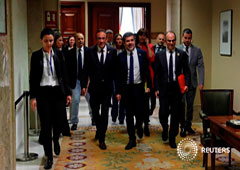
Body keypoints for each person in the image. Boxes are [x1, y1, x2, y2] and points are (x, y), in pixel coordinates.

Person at [29, 28, 72, 169]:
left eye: (51, 41)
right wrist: (33, 97)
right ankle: (48, 156)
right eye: (46, 41)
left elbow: (64, 75)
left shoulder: (59, 54)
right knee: (46, 126)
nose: (49, 43)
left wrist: (68, 93)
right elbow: (33, 78)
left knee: (58, 122)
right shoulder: (36, 56)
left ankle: (56, 141)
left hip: (57, 92)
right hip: (43, 93)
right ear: (41, 40)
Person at [82, 29, 118, 150]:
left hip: (107, 89)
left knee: (104, 113)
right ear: (96, 39)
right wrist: (83, 86)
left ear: (106, 39)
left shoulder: (112, 51)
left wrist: (117, 89)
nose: (101, 41)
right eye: (99, 38)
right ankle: (98, 129)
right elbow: (85, 70)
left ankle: (102, 138)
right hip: (94, 88)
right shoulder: (89, 52)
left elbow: (115, 71)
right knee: (95, 113)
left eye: (103, 38)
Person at [116, 32, 151, 150]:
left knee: (140, 113)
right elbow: (118, 76)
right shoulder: (120, 57)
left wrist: (149, 86)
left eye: (132, 40)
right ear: (124, 43)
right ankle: (132, 139)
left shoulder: (142, 54)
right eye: (127, 41)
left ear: (135, 41)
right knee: (129, 115)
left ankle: (139, 126)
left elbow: (146, 72)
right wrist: (118, 92)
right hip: (126, 89)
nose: (130, 43)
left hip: (139, 88)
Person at [154, 31, 190, 148]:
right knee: (163, 113)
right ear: (165, 41)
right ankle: (165, 128)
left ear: (175, 41)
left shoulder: (182, 54)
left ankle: (172, 137)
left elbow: (187, 72)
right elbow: (157, 74)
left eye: (173, 40)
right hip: (164, 88)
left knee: (175, 114)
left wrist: (186, 85)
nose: (171, 43)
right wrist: (156, 88)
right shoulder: (159, 55)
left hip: (176, 89)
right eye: (168, 40)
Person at [177, 28, 205, 137]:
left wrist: (201, 82)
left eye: (189, 38)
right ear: (182, 37)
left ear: (191, 38)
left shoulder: (197, 50)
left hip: (192, 83)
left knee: (190, 106)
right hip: (181, 83)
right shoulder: (177, 49)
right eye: (185, 38)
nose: (187, 40)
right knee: (181, 105)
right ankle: (182, 126)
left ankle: (188, 125)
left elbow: (201, 67)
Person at [65, 33, 94, 130]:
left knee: (90, 99)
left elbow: (91, 66)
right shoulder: (70, 53)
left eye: (82, 39)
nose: (80, 40)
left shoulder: (89, 51)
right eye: (78, 39)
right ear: (75, 40)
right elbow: (68, 69)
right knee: (75, 100)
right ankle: (74, 122)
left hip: (87, 80)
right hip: (75, 80)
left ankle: (93, 118)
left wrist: (89, 80)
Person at [136, 28, 155, 136]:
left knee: (148, 103)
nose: (142, 37)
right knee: (140, 102)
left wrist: (147, 45)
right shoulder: (134, 46)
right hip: (138, 76)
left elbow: (152, 58)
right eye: (141, 35)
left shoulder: (149, 47)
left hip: (148, 77)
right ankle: (139, 123)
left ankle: (146, 124)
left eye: (144, 35)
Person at [53, 32, 71, 136]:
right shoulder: (55, 53)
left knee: (61, 110)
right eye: (59, 40)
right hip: (57, 85)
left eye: (62, 40)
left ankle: (63, 130)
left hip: (62, 85)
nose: (62, 42)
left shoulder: (62, 52)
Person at [111, 33, 126, 124]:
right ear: (115, 40)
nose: (119, 41)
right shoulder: (112, 51)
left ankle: (121, 117)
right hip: (113, 77)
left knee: (123, 98)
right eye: (118, 39)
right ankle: (114, 114)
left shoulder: (125, 51)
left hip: (123, 77)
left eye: (121, 39)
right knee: (115, 97)